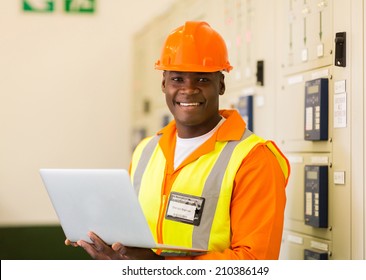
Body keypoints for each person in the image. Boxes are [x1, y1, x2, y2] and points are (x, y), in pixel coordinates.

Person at [66, 21, 290, 260]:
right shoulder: (146, 151)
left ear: (221, 85)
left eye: (202, 79)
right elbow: (134, 237)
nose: (189, 89)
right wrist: (111, 250)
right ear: (164, 84)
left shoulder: (253, 158)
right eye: (177, 79)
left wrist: (160, 266)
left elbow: (255, 261)